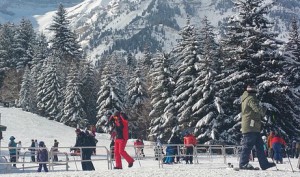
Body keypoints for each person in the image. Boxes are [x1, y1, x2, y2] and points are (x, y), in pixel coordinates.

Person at [239, 84, 275, 170]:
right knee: (248, 146)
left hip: (253, 126)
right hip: (250, 127)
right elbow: (257, 109)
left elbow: (254, 111)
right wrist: (265, 111)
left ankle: (264, 164)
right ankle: (243, 163)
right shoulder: (251, 98)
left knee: (260, 146)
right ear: (254, 91)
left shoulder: (247, 98)